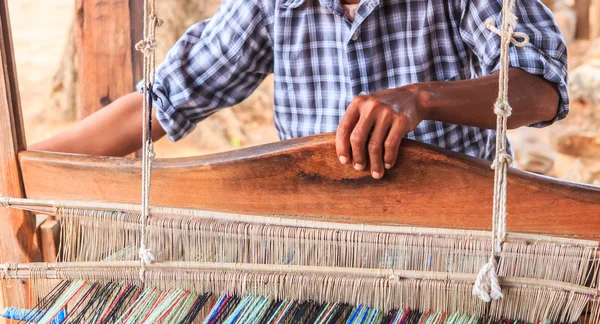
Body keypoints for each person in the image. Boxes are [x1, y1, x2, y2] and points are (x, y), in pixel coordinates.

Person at [33, 0, 567, 180]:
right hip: (321, 258)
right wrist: (22, 172)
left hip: (458, 254)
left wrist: (423, 99)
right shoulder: (272, 5)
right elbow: (161, 103)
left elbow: (541, 89)